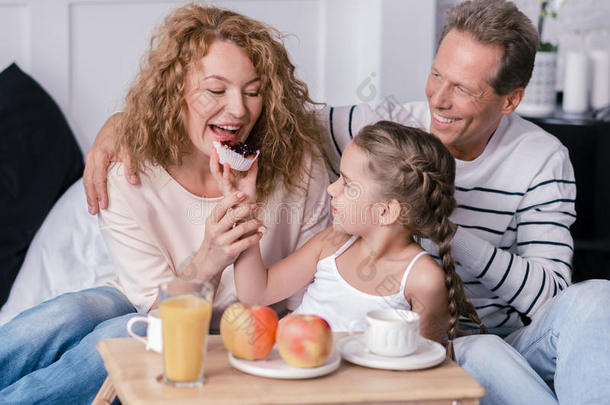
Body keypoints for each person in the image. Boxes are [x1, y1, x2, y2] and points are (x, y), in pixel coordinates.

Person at [85, 0, 610, 403]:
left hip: (506, 337)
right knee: (89, 317)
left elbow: (548, 297)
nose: (439, 101)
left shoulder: (543, 160)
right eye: (436, 75)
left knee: (596, 300)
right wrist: (123, 125)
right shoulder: (384, 129)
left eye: (464, 90)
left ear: (510, 99)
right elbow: (269, 119)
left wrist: (440, 227)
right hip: (436, 346)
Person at [0, 4, 330, 404]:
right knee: (68, 314)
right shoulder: (128, 171)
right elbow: (156, 310)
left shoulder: (301, 166)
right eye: (215, 90)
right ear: (177, 91)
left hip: (242, 330)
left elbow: (308, 301)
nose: (239, 110)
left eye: (253, 92)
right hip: (156, 302)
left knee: (119, 335)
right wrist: (210, 257)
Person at [213, 121, 484, 343]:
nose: (332, 189)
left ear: (386, 212)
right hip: (291, 376)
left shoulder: (424, 280)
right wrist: (244, 205)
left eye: (347, 183)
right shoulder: (333, 242)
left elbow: (422, 371)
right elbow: (256, 294)